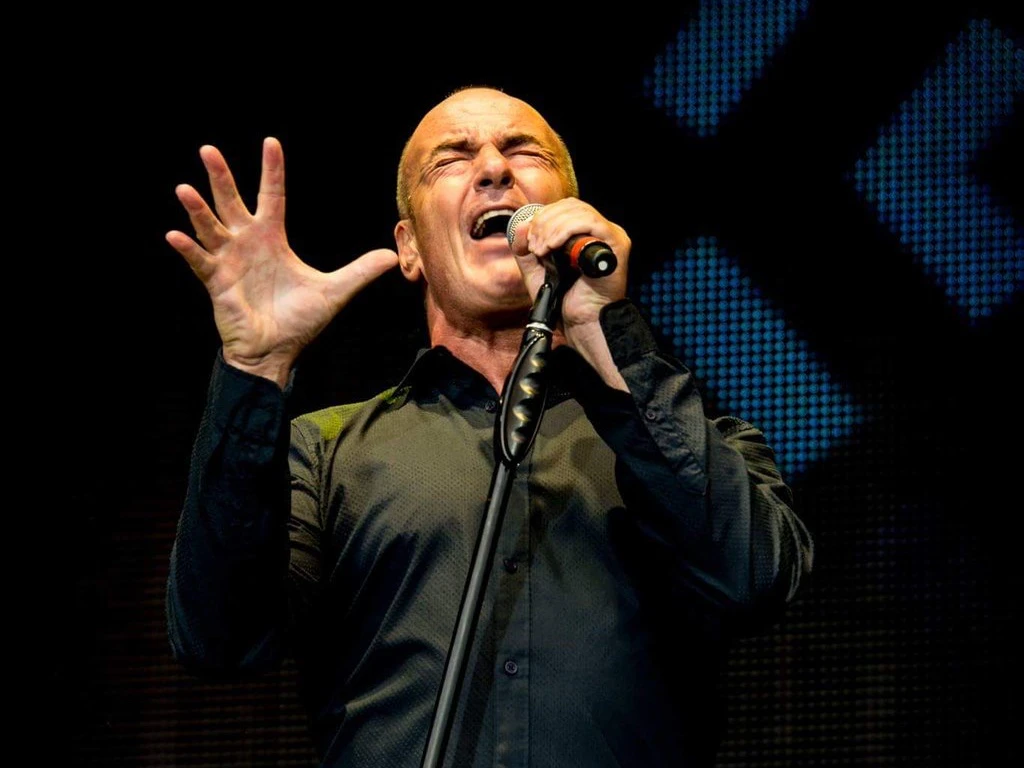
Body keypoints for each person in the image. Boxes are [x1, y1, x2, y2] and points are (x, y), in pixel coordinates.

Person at [165, 85, 813, 767]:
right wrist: (255, 368)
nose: (495, 168)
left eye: (524, 151)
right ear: (410, 249)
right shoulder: (325, 453)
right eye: (452, 159)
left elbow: (753, 580)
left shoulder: (699, 441)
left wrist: (604, 329)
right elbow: (220, 640)